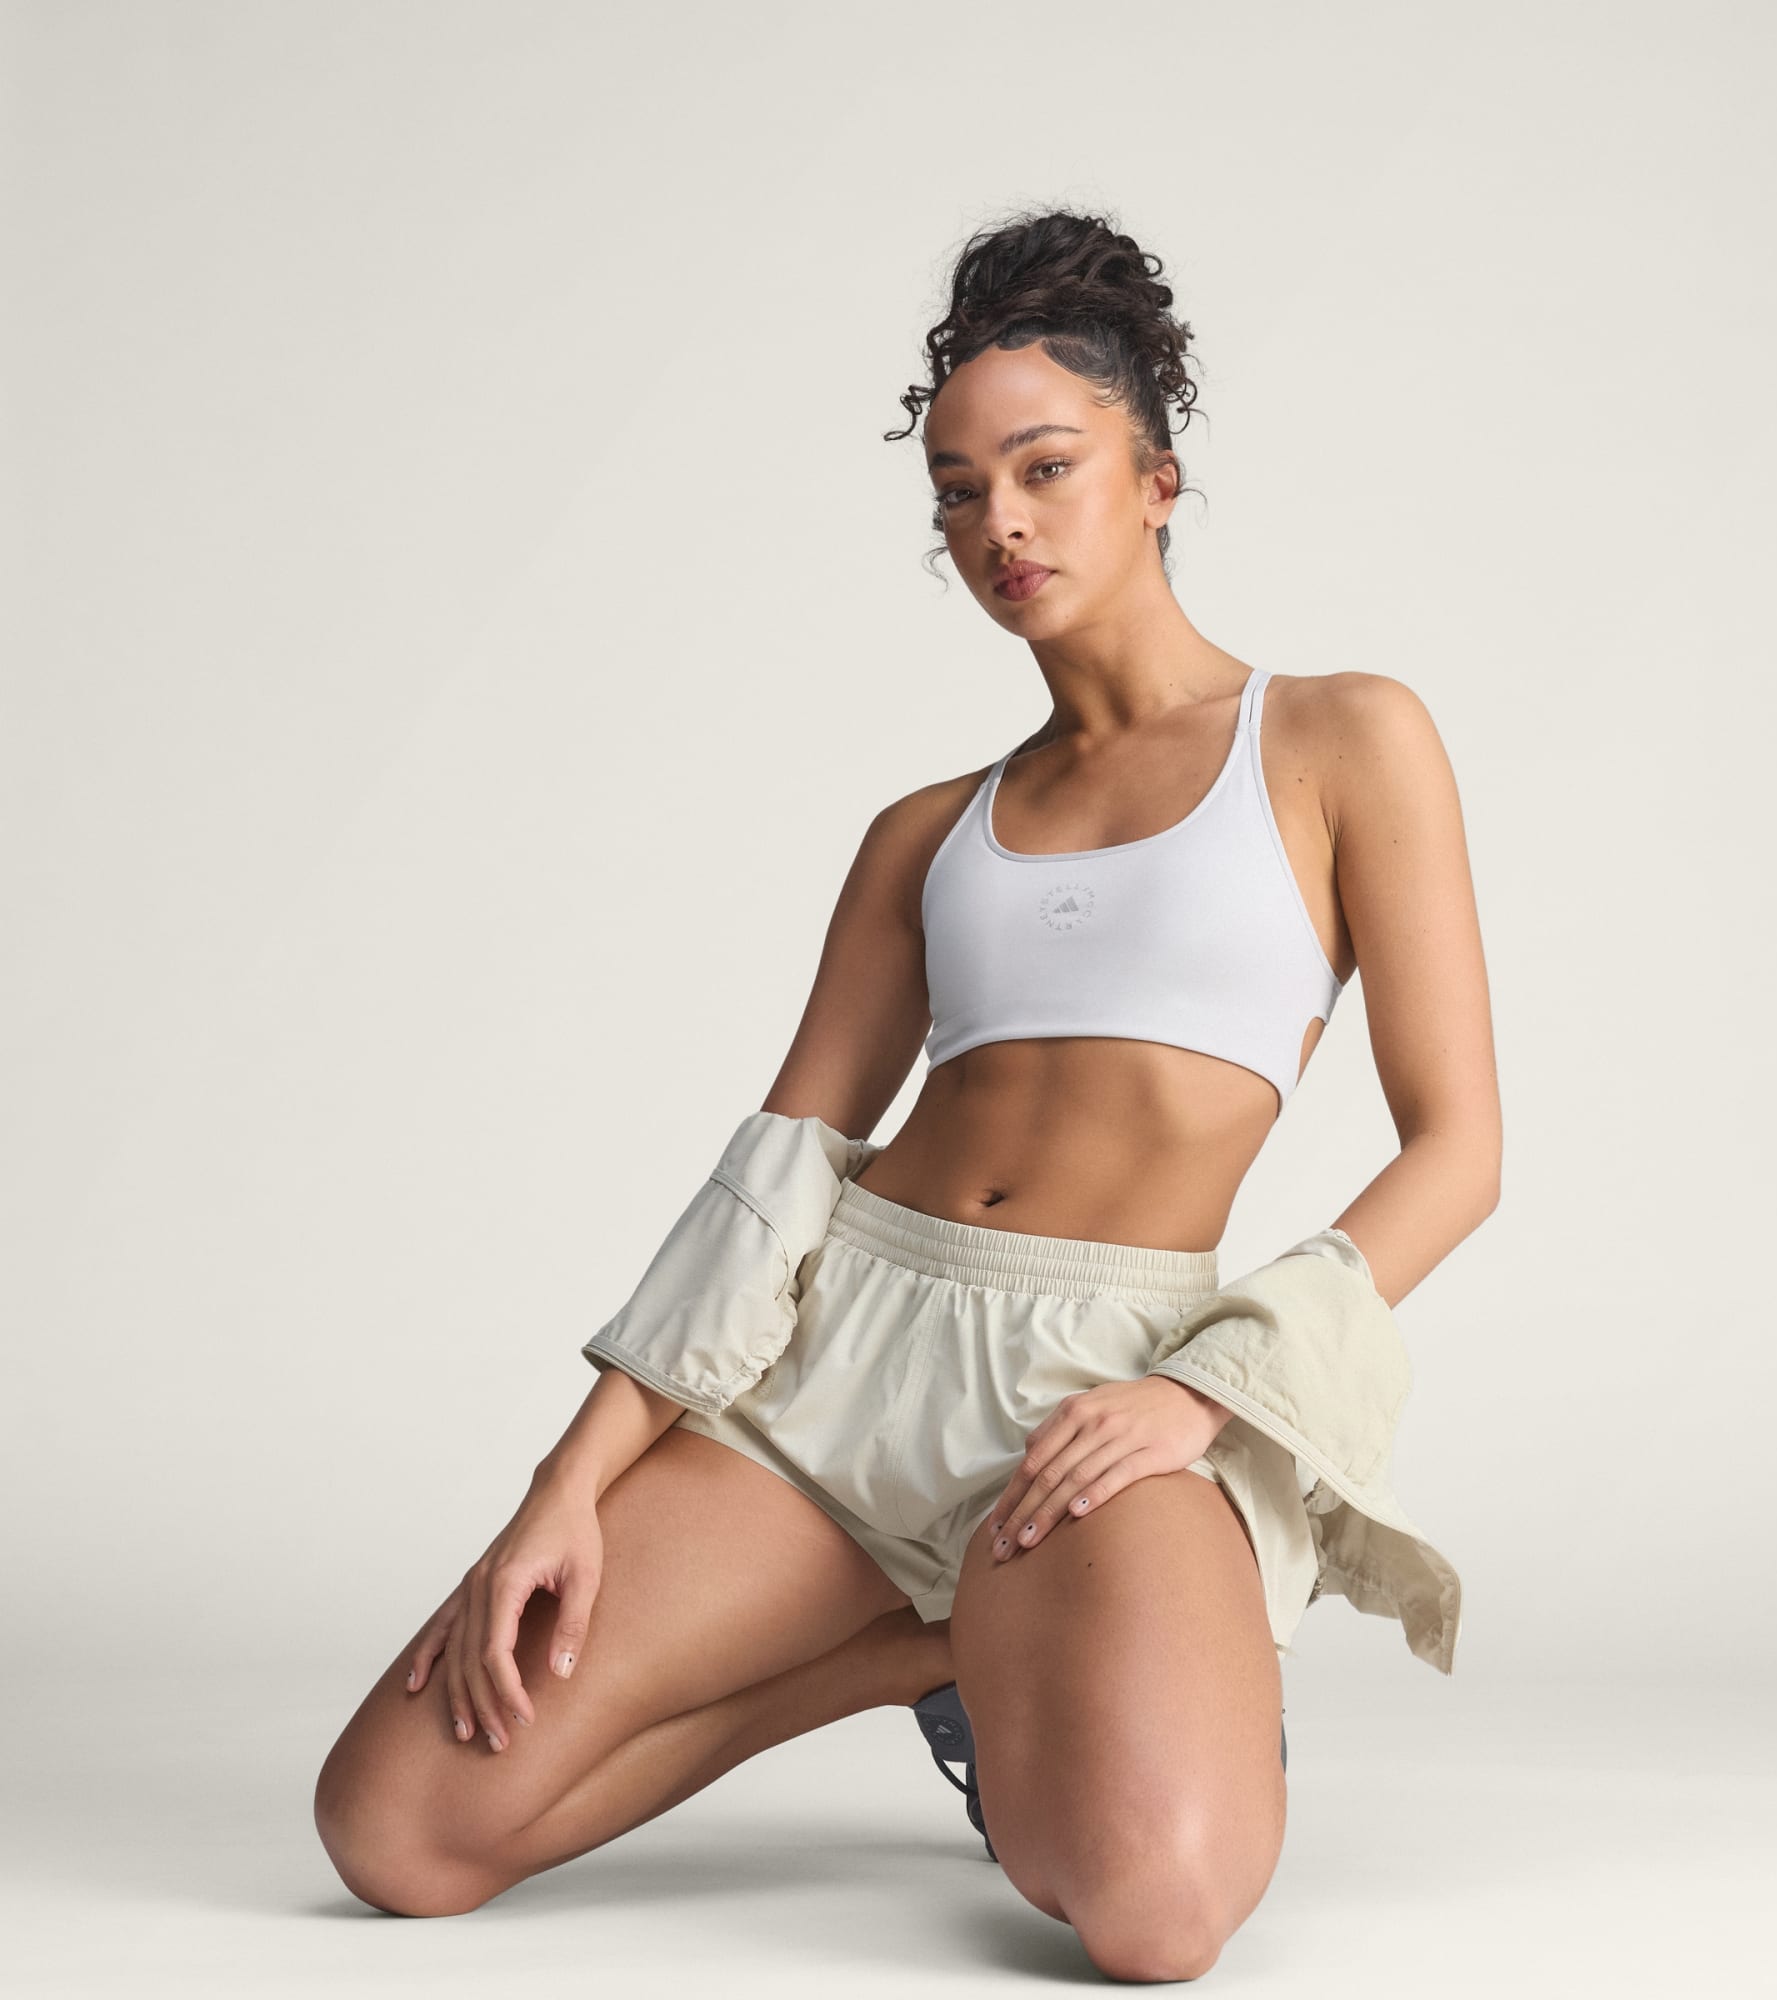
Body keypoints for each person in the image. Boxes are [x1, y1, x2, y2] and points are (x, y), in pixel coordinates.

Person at [313, 207, 1500, 1982]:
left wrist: (1209, 1393)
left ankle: (1015, 1641)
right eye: (959, 491)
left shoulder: (1340, 738)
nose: (1000, 521)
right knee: (396, 1832)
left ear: (1157, 479)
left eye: (1046, 468)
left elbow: (1460, 1149)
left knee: (1151, 1916)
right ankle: (908, 1651)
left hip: (1103, 1381)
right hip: (837, 1368)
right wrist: (568, 1481)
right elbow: (780, 1173)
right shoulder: (923, 834)